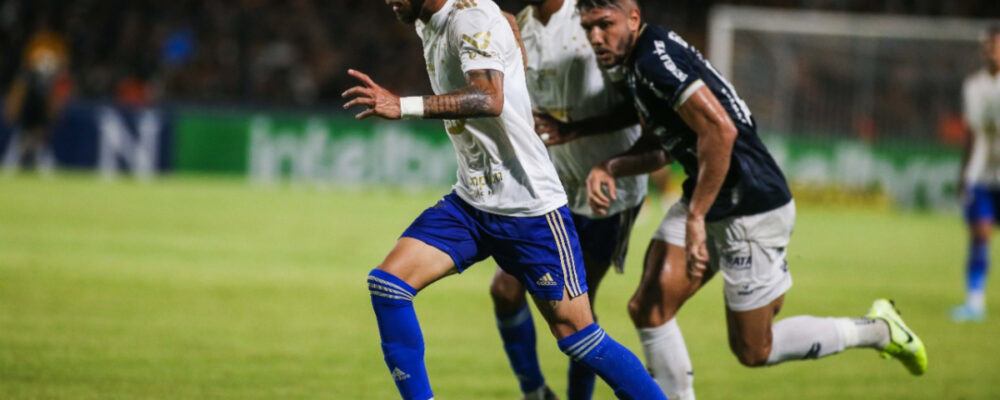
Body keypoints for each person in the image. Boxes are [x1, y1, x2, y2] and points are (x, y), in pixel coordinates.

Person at [576, 0, 929, 398]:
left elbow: (721, 133)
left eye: (604, 24)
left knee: (754, 349)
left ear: (633, 18)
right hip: (709, 195)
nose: (595, 38)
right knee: (649, 308)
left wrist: (696, 217)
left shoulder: (654, 59)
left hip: (751, 205)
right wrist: (611, 166)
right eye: (587, 27)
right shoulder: (640, 65)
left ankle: (878, 330)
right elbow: (669, 145)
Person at [341, 0, 667, 399]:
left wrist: (402, 105)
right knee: (388, 285)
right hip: (473, 202)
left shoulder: (471, 18)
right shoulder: (431, 21)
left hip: (529, 208)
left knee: (577, 336)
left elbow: (488, 97)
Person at [487, 1, 647, 399]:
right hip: (552, 187)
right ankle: (534, 391)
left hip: (609, 191)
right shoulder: (521, 24)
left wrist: (574, 129)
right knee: (505, 290)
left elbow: (640, 106)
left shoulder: (592, 18)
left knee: (579, 312)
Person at [956, 25, 1000, 323]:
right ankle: (974, 301)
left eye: (995, 45)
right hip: (981, 174)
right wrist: (963, 173)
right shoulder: (973, 86)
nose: (990, 50)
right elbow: (971, 133)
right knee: (980, 233)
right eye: (987, 45)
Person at [2, 22, 72, 174]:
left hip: (38, 115)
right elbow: (17, 95)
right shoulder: (27, 77)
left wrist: (53, 113)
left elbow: (54, 101)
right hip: (28, 115)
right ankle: (13, 167)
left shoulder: (47, 83)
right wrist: (12, 111)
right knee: (25, 141)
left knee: (37, 142)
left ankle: (40, 167)